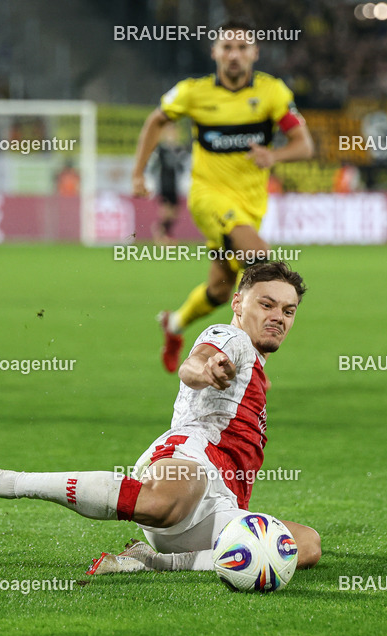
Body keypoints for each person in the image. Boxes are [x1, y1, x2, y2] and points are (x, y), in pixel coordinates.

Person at [0, 262, 322, 576]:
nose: (278, 317)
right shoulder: (230, 340)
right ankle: (3, 481)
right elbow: (193, 364)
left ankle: (153, 561)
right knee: (171, 499)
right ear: (238, 304)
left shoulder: (257, 365)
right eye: (266, 304)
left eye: (288, 311)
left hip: (218, 509)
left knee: (305, 546)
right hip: (190, 463)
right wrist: (207, 370)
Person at [130, 18, 314, 373]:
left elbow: (304, 144)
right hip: (208, 196)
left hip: (250, 204)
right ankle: (251, 364)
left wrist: (272, 156)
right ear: (214, 52)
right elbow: (156, 120)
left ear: (255, 53)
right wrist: (138, 172)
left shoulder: (272, 92)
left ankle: (174, 324)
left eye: (242, 48)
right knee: (261, 261)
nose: (234, 55)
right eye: (227, 48)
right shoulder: (193, 92)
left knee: (219, 288)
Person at [145, 124, 189, 245]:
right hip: (164, 183)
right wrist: (150, 181)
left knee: (175, 212)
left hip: (175, 184)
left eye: (174, 132)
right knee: (166, 210)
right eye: (169, 132)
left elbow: (183, 167)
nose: (172, 135)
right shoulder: (160, 149)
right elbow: (152, 166)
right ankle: (162, 234)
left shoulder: (180, 149)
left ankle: (163, 231)